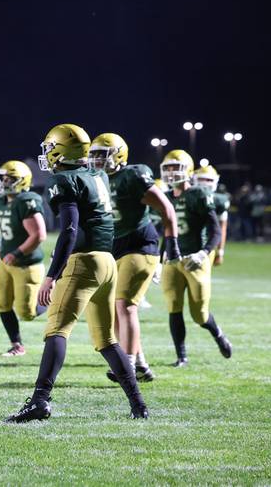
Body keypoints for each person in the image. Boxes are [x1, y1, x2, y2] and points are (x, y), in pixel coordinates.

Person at [7, 124, 148, 423]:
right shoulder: (96, 175)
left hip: (83, 262)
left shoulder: (64, 179)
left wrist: (52, 274)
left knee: (57, 331)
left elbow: (69, 230)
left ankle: (39, 401)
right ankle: (138, 404)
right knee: (106, 339)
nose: (46, 153)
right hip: (108, 261)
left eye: (50, 147)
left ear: (60, 150)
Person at [89, 133, 180, 384]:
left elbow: (166, 208)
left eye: (101, 153)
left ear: (119, 154)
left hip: (140, 244)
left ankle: (126, 363)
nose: (96, 159)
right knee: (117, 310)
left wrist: (170, 245)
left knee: (125, 305)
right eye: (93, 153)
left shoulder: (132, 175)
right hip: (113, 246)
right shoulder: (96, 180)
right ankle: (139, 364)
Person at [159, 150, 233, 367]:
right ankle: (181, 356)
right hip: (172, 259)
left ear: (188, 171)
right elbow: (166, 231)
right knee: (173, 306)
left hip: (195, 258)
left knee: (199, 314)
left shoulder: (199, 194)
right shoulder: (164, 197)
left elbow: (215, 230)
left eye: (176, 168)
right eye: (168, 168)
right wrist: (159, 257)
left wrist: (205, 253)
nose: (171, 173)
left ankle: (218, 334)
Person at [0, 160, 47, 357]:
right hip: (6, 262)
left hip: (25, 263)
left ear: (23, 181)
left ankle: (53, 296)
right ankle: (17, 345)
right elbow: (2, 228)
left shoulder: (26, 201)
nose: (5, 181)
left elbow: (39, 234)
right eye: (3, 178)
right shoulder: (0, 201)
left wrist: (16, 253)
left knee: (27, 313)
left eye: (11, 178)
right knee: (3, 304)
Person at [192, 165, 229, 265]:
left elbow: (222, 228)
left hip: (206, 247)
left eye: (209, 179)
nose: (205, 182)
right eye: (202, 179)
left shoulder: (219, 200)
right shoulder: (187, 195)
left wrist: (220, 251)